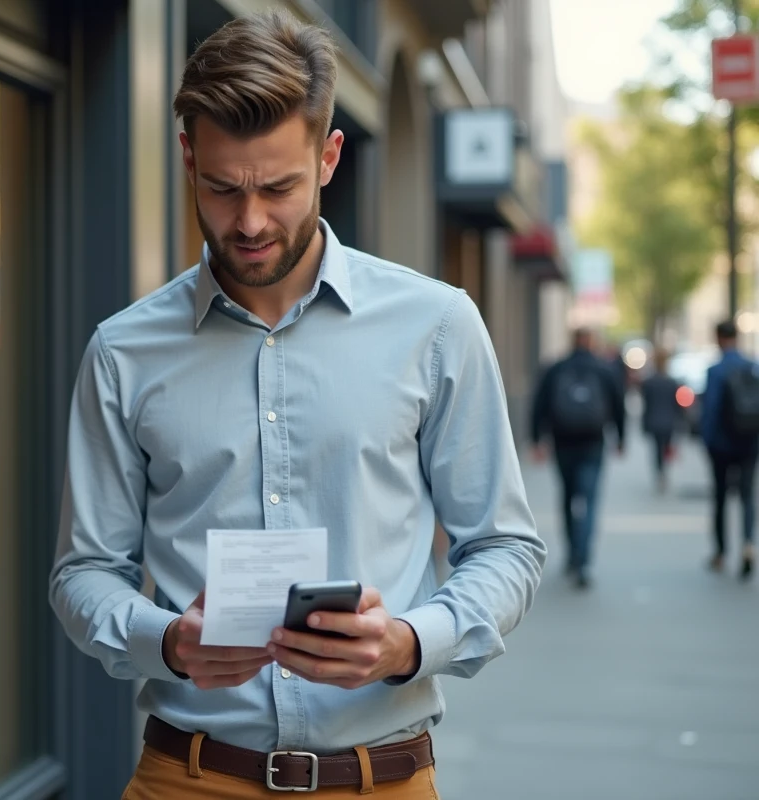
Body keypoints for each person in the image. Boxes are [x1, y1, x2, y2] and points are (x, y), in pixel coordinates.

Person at [49, 11, 545, 798]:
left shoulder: (437, 324)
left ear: (328, 156)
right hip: (188, 777)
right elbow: (83, 575)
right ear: (187, 156)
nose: (248, 222)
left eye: (277, 187)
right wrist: (168, 641)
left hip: (380, 778)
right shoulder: (123, 349)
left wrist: (409, 643)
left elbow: (507, 548)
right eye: (222, 187)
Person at [530, 328, 625, 589]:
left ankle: (572, 554)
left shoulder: (557, 368)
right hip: (593, 442)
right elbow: (618, 404)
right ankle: (584, 560)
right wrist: (621, 438)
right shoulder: (603, 369)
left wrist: (537, 439)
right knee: (589, 500)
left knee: (568, 497)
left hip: (563, 442)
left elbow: (539, 404)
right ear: (592, 342)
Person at [698, 320, 758, 580]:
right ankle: (747, 543)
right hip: (749, 442)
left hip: (722, 444)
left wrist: (706, 440)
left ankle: (721, 552)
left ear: (719, 338)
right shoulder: (753, 367)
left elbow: (710, 410)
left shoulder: (716, 370)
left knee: (721, 497)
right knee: (747, 495)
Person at [640, 349, 683, 494]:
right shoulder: (672, 382)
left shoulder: (649, 382)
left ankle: (660, 473)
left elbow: (646, 404)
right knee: (665, 448)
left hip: (654, 421)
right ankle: (663, 472)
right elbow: (677, 405)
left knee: (657, 449)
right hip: (669, 421)